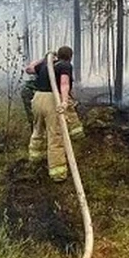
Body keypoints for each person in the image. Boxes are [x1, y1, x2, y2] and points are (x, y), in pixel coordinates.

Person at [25, 46, 84, 181]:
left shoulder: (46, 65)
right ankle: (58, 172)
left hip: (37, 98)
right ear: (70, 56)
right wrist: (64, 102)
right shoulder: (65, 65)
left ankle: (35, 157)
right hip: (52, 99)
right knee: (55, 134)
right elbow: (64, 84)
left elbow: (29, 69)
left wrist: (44, 59)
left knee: (38, 130)